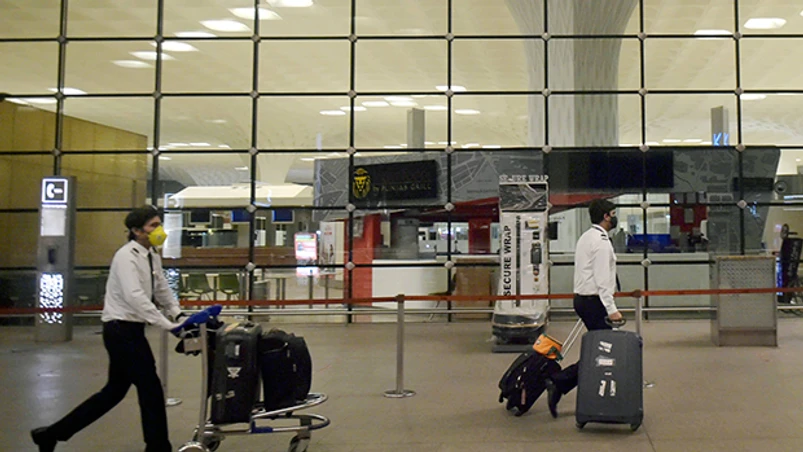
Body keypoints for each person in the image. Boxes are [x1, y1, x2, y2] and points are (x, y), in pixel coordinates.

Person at [31, 206, 186, 452]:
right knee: (150, 388)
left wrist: (178, 314)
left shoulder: (151, 255)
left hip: (132, 330)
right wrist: (167, 325)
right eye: (153, 226)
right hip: (120, 330)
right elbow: (135, 297)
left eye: (159, 224)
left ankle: (51, 434)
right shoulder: (125, 257)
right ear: (137, 231)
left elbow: (162, 289)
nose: (159, 230)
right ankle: (157, 447)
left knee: (114, 392)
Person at [545, 198, 623, 418]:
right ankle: (559, 382)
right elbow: (602, 279)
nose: (615, 217)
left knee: (600, 349)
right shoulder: (601, 242)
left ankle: (565, 384)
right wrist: (612, 309)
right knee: (604, 351)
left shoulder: (587, 237)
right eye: (613, 214)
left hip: (583, 299)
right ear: (606, 216)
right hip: (594, 302)